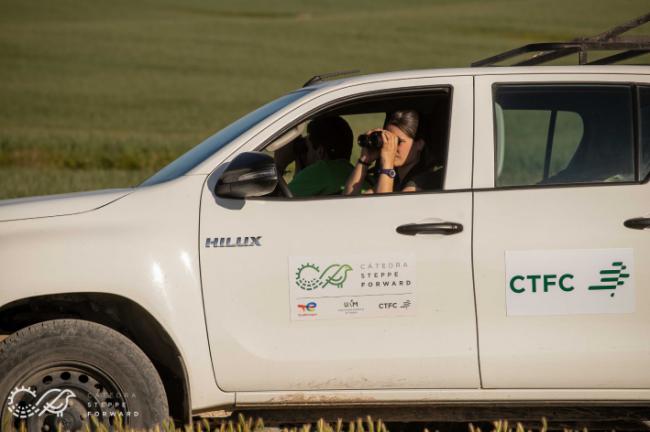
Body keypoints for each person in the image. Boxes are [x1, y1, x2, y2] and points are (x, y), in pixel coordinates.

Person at [344, 110, 438, 195]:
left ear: (419, 144)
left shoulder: (418, 184)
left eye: (398, 141)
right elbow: (349, 202)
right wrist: (364, 161)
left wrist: (387, 164)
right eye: (388, 140)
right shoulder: (395, 180)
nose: (390, 147)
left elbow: (384, 209)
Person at [286, 116, 356, 196]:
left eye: (307, 148)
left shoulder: (321, 171)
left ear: (320, 152)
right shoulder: (360, 175)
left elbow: (277, 202)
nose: (305, 153)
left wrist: (279, 164)